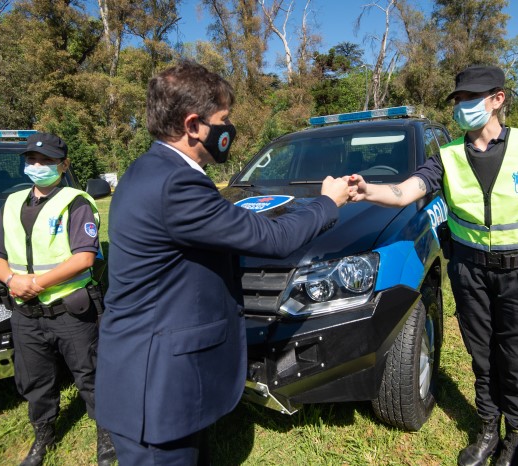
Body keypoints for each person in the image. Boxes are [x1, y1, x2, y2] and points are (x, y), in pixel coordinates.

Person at [95, 59, 349, 465]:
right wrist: (326, 202)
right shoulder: (177, 184)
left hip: (152, 371)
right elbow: (275, 239)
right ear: (194, 124)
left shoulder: (150, 169)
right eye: (223, 119)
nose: (229, 129)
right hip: (155, 389)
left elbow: (225, 228)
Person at [348, 65, 518, 466]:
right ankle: (488, 428)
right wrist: (368, 190)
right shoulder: (447, 156)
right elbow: (405, 191)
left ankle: (514, 441)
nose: (463, 107)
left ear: (497, 99)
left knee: (517, 361)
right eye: (459, 100)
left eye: (471, 98)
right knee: (483, 356)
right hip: (471, 273)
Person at [0, 132, 116, 466]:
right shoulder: (12, 203)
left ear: (64, 164)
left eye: (47, 161)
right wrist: (14, 280)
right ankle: (43, 435)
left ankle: (107, 436)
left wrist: (36, 282)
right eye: (32, 160)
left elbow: (84, 257)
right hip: (25, 312)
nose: (38, 166)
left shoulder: (76, 202)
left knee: (90, 375)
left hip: (71, 311)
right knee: (35, 380)